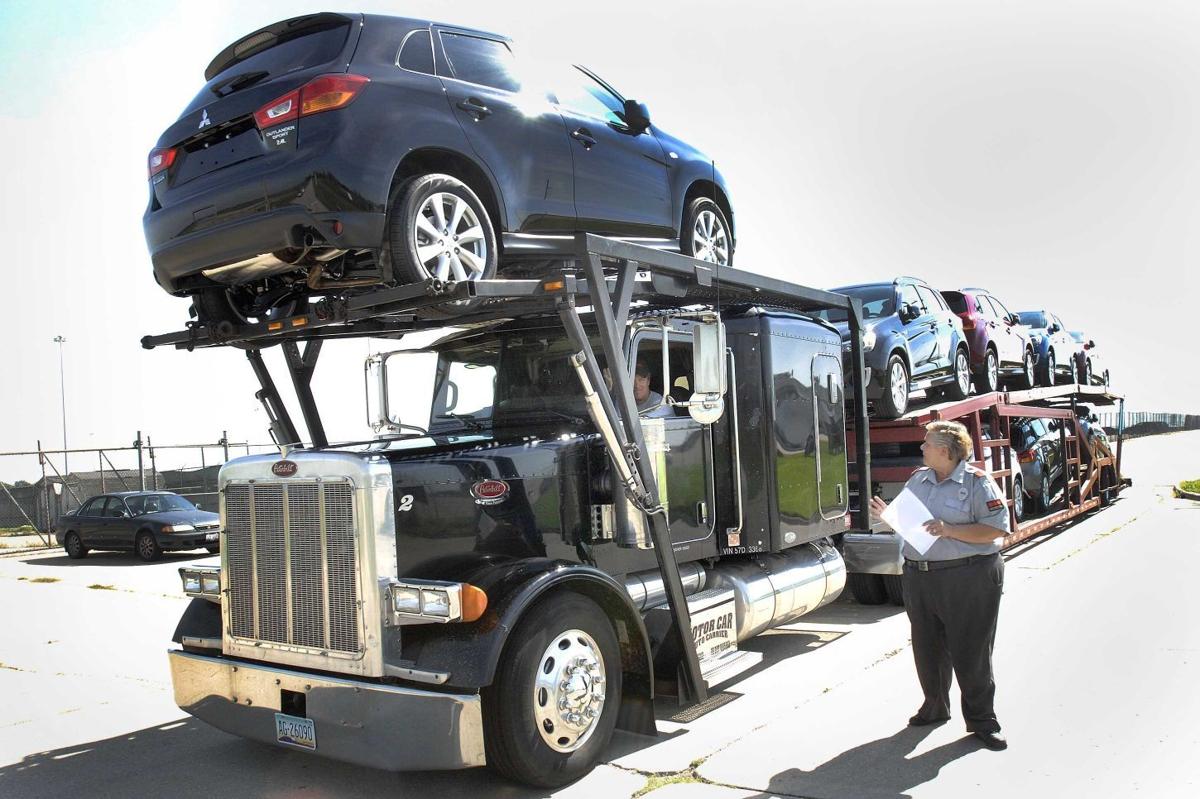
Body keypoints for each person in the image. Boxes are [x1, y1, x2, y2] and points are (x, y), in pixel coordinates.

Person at [869, 420, 1011, 751]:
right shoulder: (919, 479)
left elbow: (995, 530)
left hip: (969, 574)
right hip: (920, 575)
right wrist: (889, 515)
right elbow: (911, 522)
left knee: (970, 648)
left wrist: (950, 530)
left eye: (927, 444)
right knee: (927, 646)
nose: (922, 448)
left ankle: (982, 719)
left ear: (945, 451)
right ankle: (934, 706)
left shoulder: (977, 483)